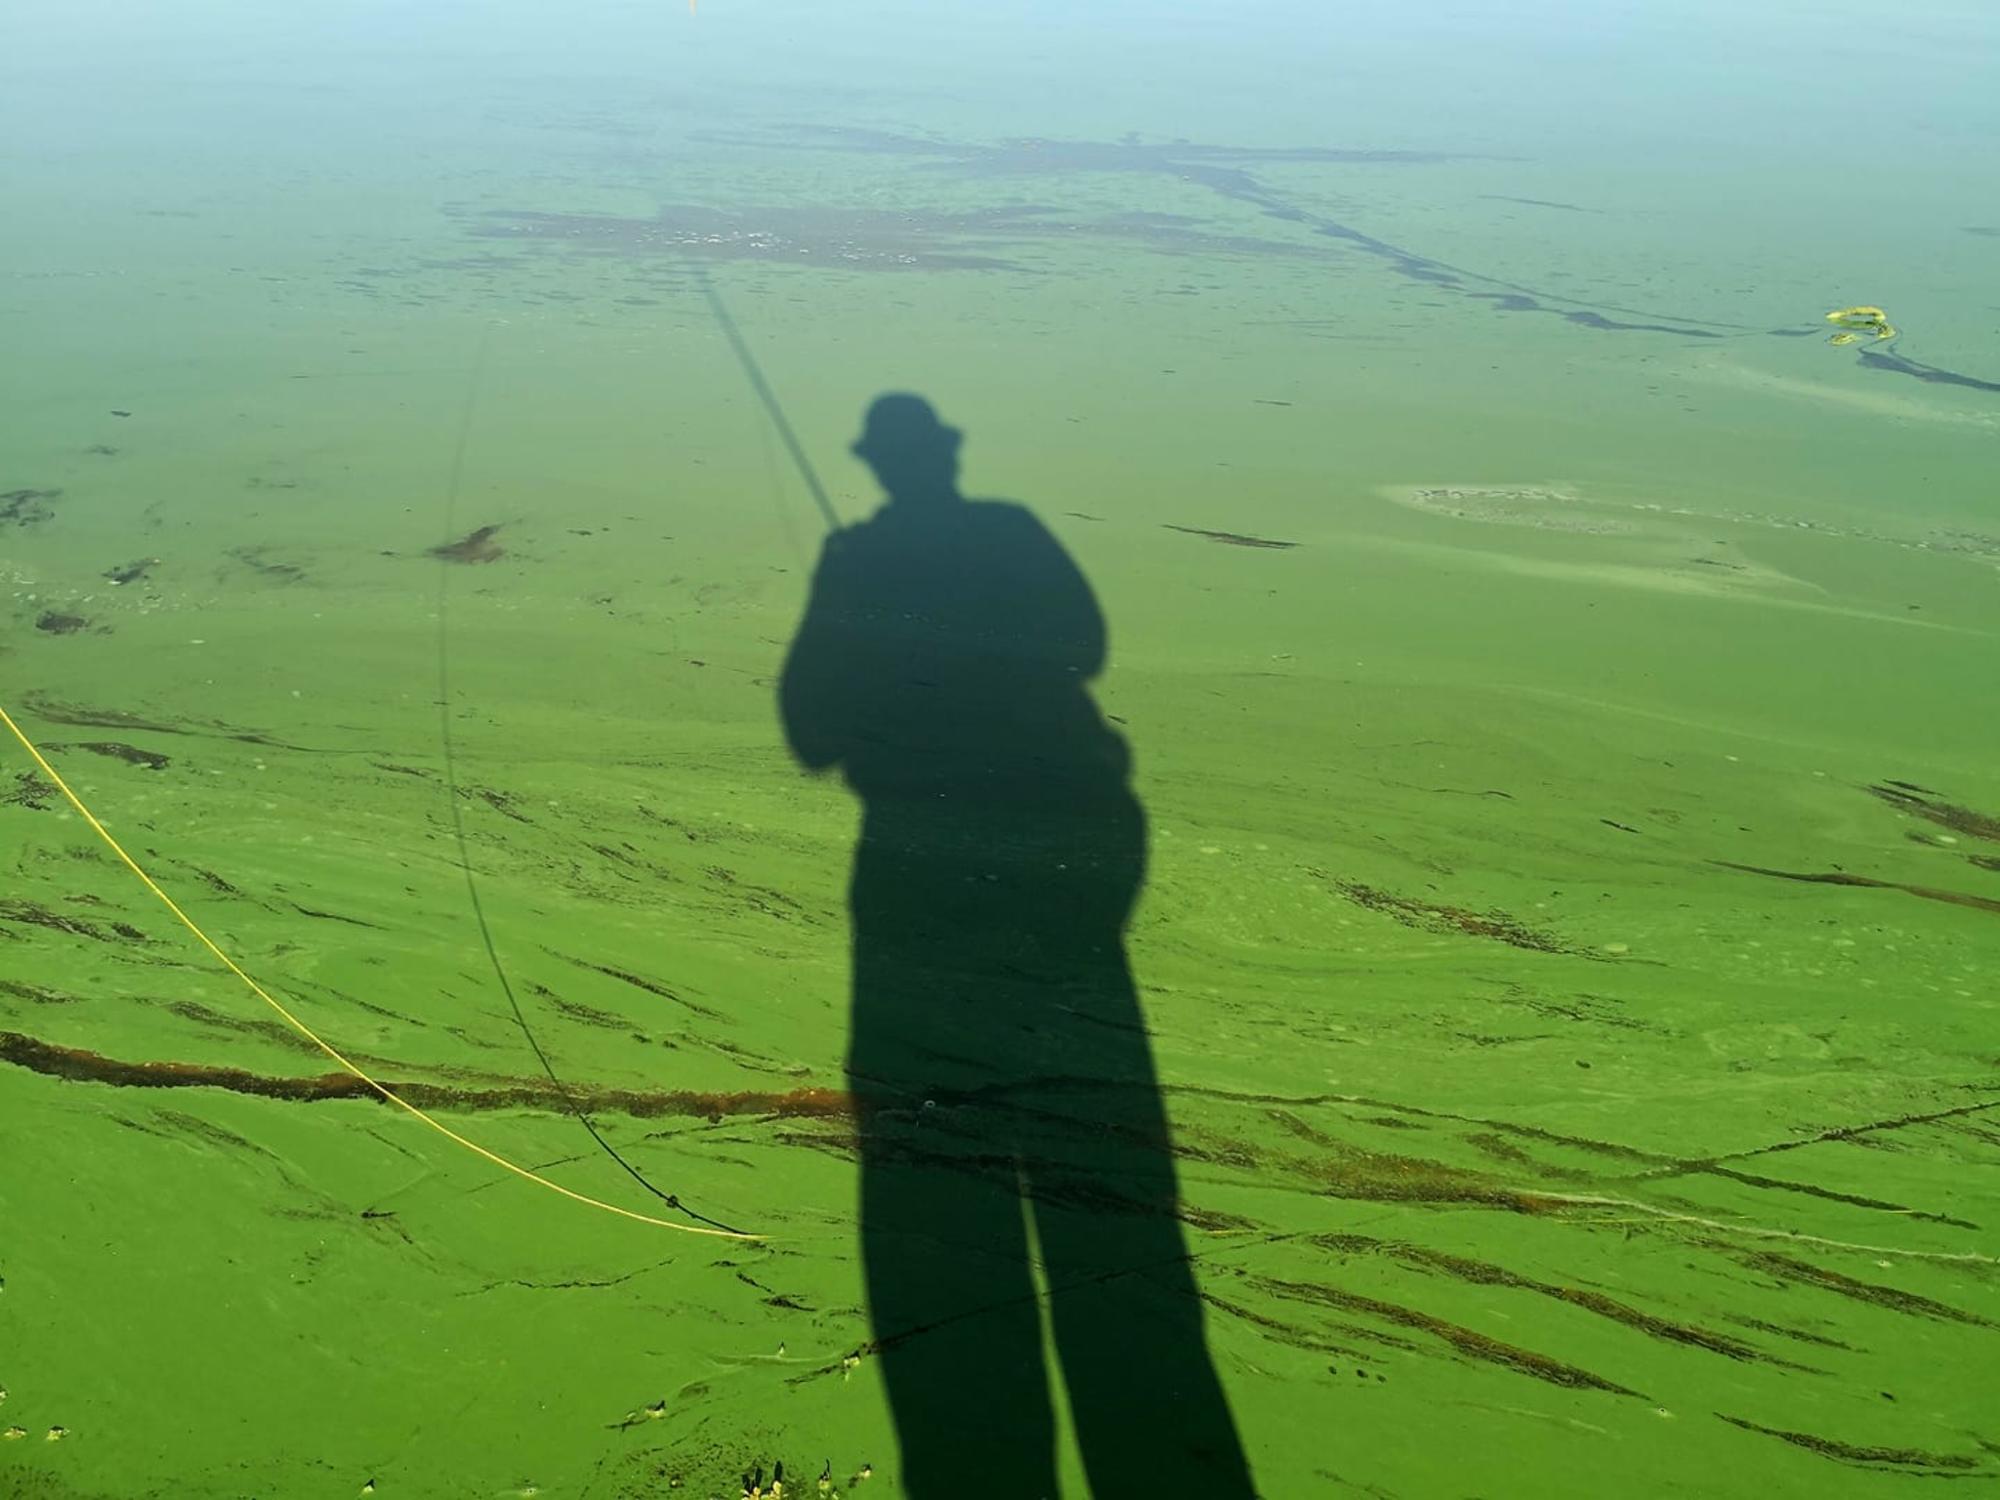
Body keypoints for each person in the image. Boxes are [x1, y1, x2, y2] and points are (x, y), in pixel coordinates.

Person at [778, 395, 1256, 1498]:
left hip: (911, 864)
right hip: (1069, 835)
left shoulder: (854, 559)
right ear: (940, 457)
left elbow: (808, 732)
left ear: (881, 467)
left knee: (928, 1142)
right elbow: (1083, 648)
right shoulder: (1008, 530)